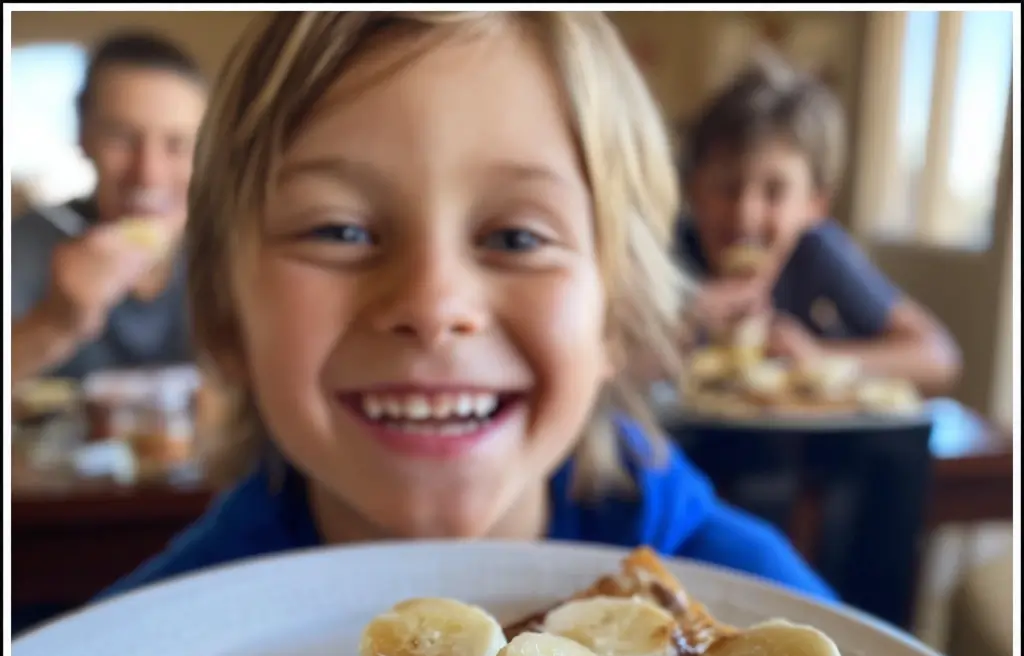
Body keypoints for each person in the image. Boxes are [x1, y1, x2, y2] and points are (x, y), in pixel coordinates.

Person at [99, 11, 833, 603]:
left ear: (617, 312)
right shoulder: (136, 647)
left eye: (517, 236)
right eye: (340, 230)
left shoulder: (758, 607)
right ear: (227, 315)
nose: (431, 303)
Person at [677, 60, 961, 395]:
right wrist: (683, 321)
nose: (746, 214)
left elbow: (938, 356)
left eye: (774, 192)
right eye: (728, 187)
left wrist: (820, 358)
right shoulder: (670, 253)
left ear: (815, 206)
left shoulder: (817, 254)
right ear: (694, 189)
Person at [11, 32, 208, 384]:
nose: (149, 174)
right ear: (83, 136)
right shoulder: (27, 245)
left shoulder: (231, 256)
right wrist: (53, 324)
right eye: (120, 137)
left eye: (177, 144)